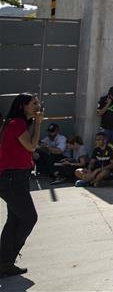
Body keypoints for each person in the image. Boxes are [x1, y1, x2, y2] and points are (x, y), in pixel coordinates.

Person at [0, 93, 43, 277]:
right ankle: (6, 260)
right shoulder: (17, 124)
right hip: (12, 179)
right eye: (34, 103)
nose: (38, 105)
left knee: (15, 220)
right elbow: (32, 146)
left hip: (16, 178)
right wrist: (39, 123)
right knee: (29, 218)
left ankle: (5, 262)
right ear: (23, 106)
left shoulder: (18, 124)